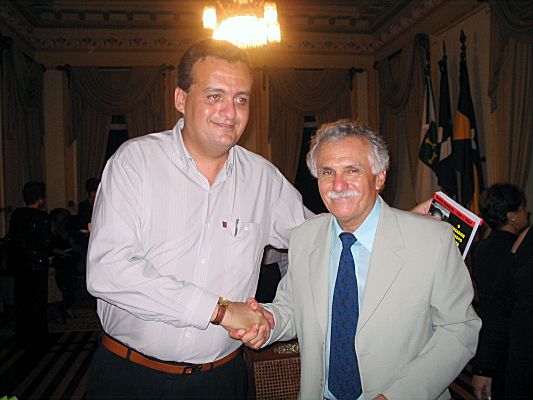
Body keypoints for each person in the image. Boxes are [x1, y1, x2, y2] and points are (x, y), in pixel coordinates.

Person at [85, 39, 307, 399]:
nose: (230, 112)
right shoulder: (135, 162)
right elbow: (108, 271)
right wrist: (219, 311)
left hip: (222, 381)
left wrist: (278, 315)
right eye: (214, 96)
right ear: (180, 99)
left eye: (241, 99)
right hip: (131, 377)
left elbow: (318, 241)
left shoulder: (263, 179)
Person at [236, 120, 481, 400]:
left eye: (352, 170)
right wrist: (269, 320)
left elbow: (459, 329)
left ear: (379, 177)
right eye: (327, 172)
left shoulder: (431, 240)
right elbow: (292, 307)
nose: (338, 184)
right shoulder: (304, 237)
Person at [470, 183, 528, 399]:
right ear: (512, 216)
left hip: (485, 333)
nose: (527, 212)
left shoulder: (480, 248)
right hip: (510, 340)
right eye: (522, 208)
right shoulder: (520, 254)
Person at [7, 181, 51, 347]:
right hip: (37, 265)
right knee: (37, 302)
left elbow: (14, 239)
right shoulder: (42, 217)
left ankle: (23, 336)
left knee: (22, 300)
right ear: (40, 198)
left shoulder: (17, 215)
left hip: (21, 264)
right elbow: (45, 242)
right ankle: (38, 337)